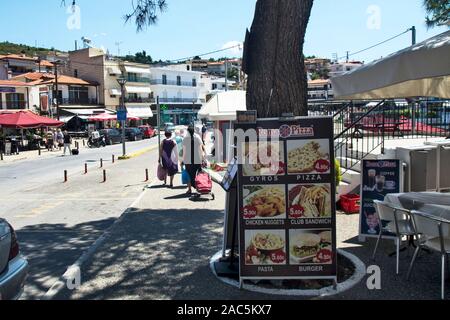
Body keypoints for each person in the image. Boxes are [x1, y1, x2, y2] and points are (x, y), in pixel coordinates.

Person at [182, 125, 205, 195]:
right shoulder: (197, 137)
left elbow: (184, 151)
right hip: (197, 158)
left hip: (188, 160)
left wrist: (183, 160)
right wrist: (202, 158)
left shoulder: (185, 139)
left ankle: (189, 189)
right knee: (198, 174)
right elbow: (200, 149)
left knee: (189, 174)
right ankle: (199, 187)